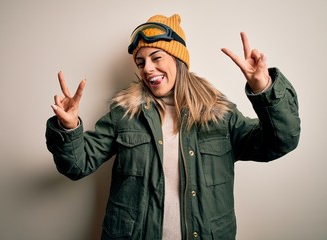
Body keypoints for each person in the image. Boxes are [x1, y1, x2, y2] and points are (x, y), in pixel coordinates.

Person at [46, 14, 300, 240]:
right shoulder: (124, 114)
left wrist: (264, 89)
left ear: (179, 59)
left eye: (156, 57)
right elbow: (77, 165)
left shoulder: (219, 114)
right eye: (141, 62)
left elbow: (280, 142)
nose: (148, 69)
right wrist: (68, 128)